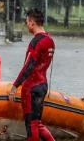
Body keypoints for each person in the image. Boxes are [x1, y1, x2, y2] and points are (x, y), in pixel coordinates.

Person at [9, 9, 55, 141]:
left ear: (32, 22)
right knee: (38, 123)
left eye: (27, 22)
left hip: (31, 88)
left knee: (31, 125)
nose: (26, 25)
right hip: (42, 85)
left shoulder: (36, 42)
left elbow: (28, 66)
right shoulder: (50, 40)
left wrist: (15, 86)